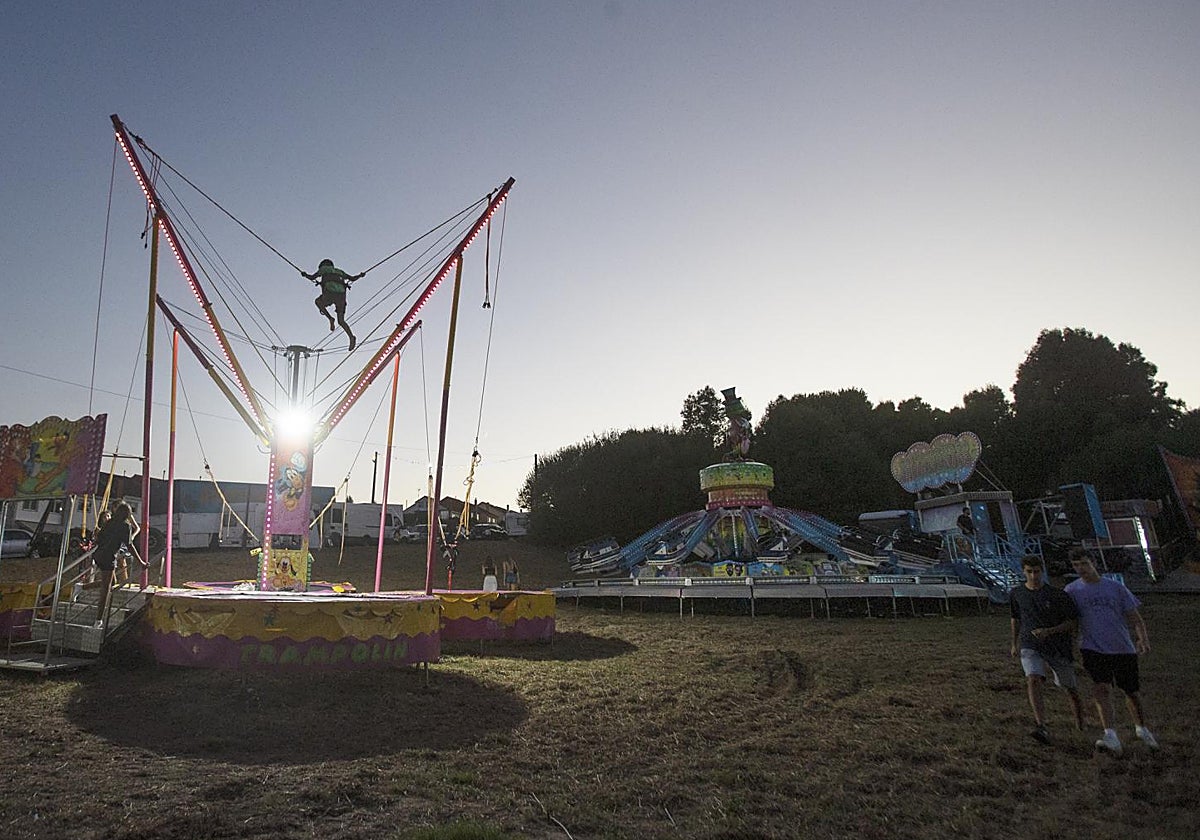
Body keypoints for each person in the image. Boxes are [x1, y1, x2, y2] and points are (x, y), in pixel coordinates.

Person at [1065, 547, 1159, 755]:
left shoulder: (1115, 588)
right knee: (1101, 689)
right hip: (1092, 647)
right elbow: (1072, 622)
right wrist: (1071, 646)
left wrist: (1142, 638)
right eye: (1076, 565)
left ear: (1094, 563)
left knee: (1131, 691)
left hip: (1121, 647)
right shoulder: (1072, 591)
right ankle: (1110, 734)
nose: (1081, 569)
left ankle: (1141, 728)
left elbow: (1134, 616)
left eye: (1084, 564)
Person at [1009, 554, 1084, 744]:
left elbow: (1072, 622)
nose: (1033, 576)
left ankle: (1080, 722)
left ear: (1042, 572)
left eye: (1036, 572)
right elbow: (1015, 619)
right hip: (1030, 643)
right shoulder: (1017, 594)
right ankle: (1041, 725)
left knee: (1069, 687)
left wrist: (1050, 631)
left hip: (1057, 646)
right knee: (1033, 679)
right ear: (1023, 572)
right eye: (1029, 572)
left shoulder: (1057, 595)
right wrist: (1014, 642)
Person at [82, 502, 140, 628]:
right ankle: (98, 620)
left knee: (111, 582)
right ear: (128, 514)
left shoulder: (109, 522)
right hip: (109, 557)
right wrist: (141, 562)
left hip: (98, 555)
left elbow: (99, 538)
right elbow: (130, 545)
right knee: (106, 589)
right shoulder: (125, 526)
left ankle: (82, 588)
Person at [302, 259, 364, 351]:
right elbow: (352, 278)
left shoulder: (324, 269)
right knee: (341, 321)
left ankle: (330, 318)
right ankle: (351, 336)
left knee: (318, 302)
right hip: (341, 298)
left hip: (329, 294)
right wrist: (360, 275)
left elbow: (312, 277)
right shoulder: (340, 271)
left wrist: (304, 275)